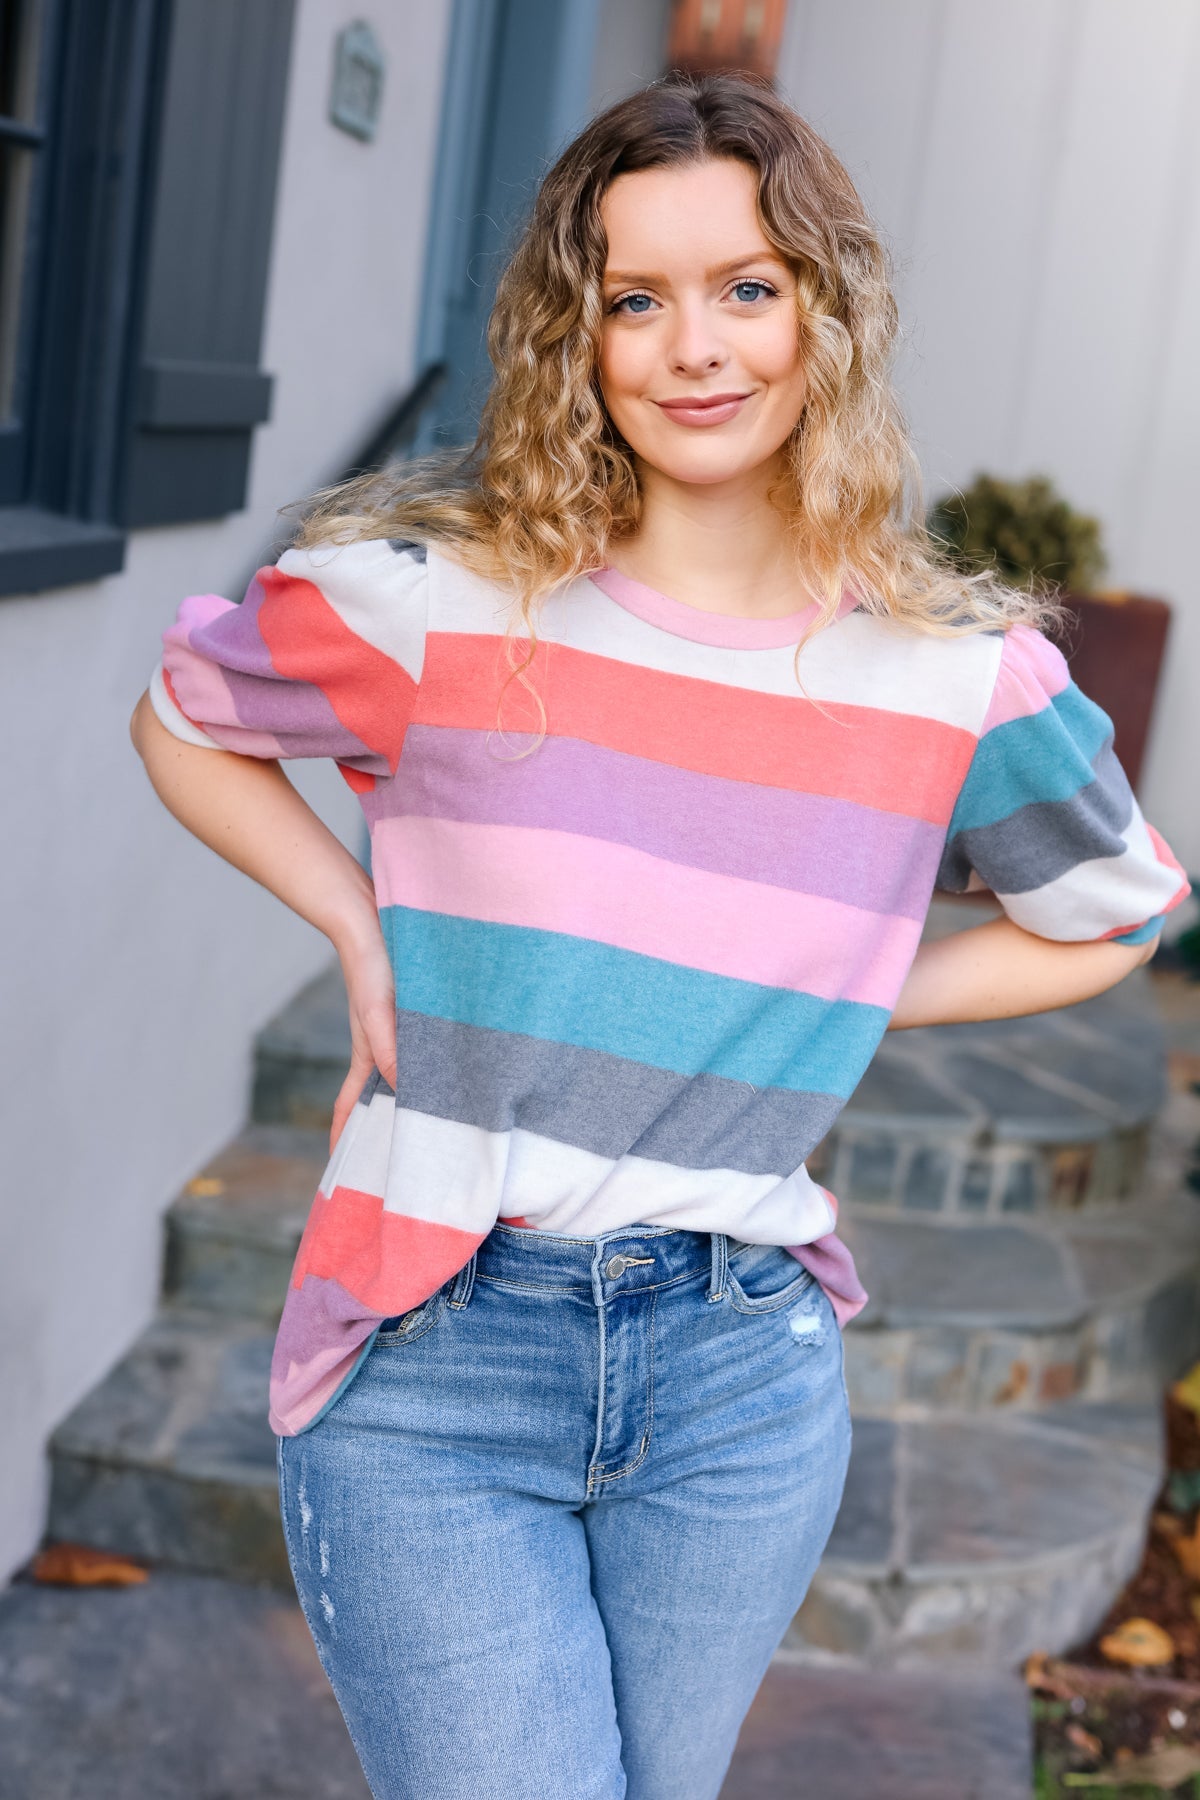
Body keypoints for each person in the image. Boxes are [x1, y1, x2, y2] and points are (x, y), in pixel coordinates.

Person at [129, 71, 1189, 1800]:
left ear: (824, 313)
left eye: (746, 288)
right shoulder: (439, 604)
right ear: (580, 335)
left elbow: (1120, 908)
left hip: (737, 1375)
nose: (696, 347)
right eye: (637, 300)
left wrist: (847, 992)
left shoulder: (952, 675)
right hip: (438, 1349)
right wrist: (355, 925)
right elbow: (187, 717)